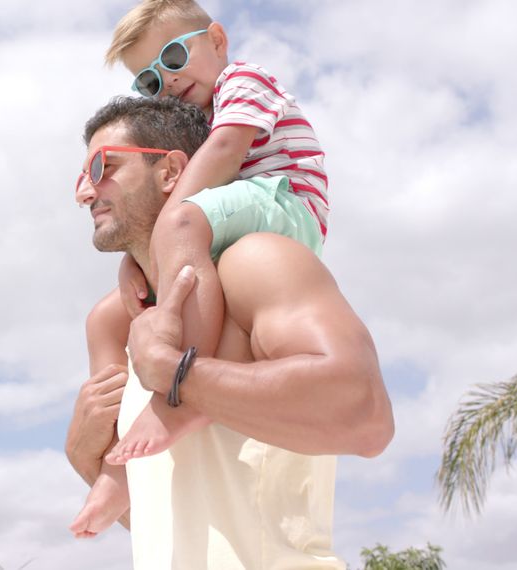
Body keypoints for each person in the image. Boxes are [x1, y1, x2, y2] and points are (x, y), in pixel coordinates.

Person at [66, 96, 394, 568]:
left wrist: (179, 374)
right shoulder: (114, 320)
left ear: (170, 173)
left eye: (103, 167)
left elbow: (368, 419)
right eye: (81, 176)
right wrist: (82, 455)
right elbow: (150, 515)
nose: (85, 192)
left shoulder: (255, 261)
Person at [86, 0, 332, 465]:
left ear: (217, 41)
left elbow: (224, 150)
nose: (168, 81)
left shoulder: (243, 78)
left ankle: (181, 392)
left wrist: (169, 225)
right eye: (150, 82)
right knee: (222, 300)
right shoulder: (203, 113)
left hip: (288, 199)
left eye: (173, 58)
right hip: (257, 215)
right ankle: (192, 409)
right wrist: (132, 260)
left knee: (181, 220)